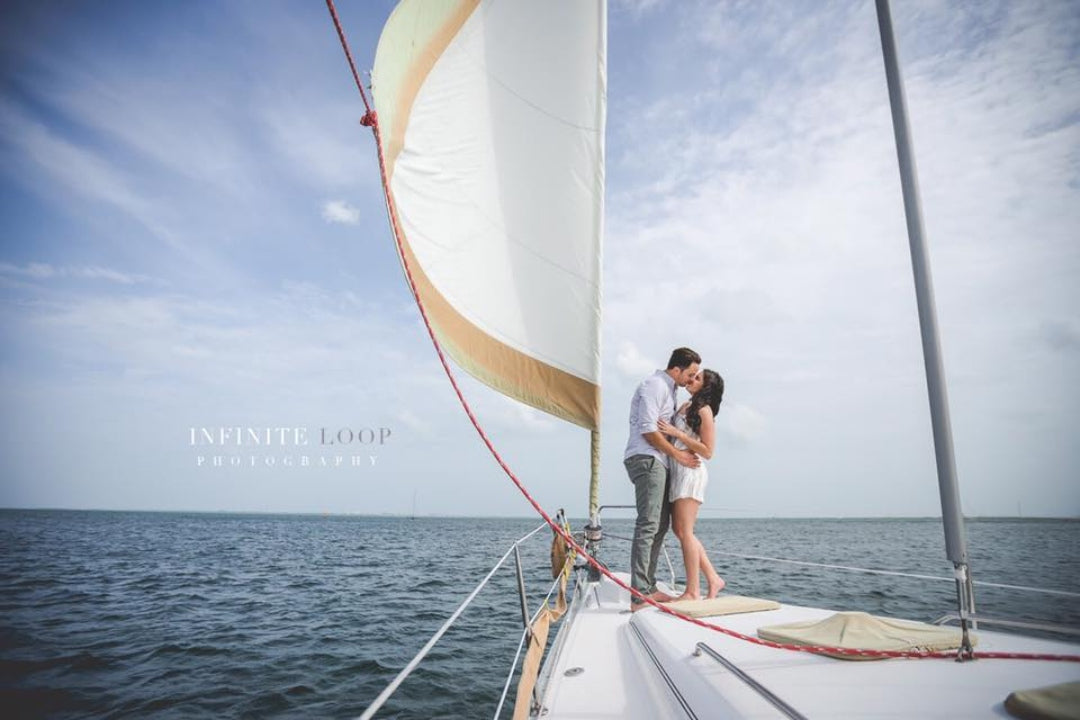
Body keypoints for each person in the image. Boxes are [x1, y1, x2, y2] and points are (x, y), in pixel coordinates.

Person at [625, 347, 702, 611]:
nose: (690, 380)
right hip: (647, 459)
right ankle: (638, 596)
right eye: (690, 374)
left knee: (660, 525)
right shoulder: (655, 385)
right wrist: (678, 457)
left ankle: (648, 587)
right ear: (676, 369)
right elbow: (648, 430)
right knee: (648, 524)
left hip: (659, 462)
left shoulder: (670, 391)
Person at [657, 369, 725, 602]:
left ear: (705, 387)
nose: (692, 379)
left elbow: (708, 451)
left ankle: (692, 591)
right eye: (693, 375)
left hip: (691, 472)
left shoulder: (704, 411)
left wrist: (677, 433)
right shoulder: (686, 405)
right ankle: (713, 579)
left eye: (698, 379)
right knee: (679, 531)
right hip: (678, 469)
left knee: (685, 531)